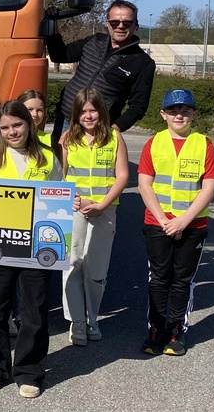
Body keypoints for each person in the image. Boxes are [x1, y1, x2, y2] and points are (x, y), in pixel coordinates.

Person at [0, 100, 62, 399]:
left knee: (34, 311)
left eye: (17, 125)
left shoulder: (48, 158)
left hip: (36, 247)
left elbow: (59, 193)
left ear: (30, 123)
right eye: (5, 127)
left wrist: (68, 203)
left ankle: (29, 371)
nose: (12, 132)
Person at [137, 89, 214, 357]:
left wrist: (183, 220)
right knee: (158, 279)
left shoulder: (203, 144)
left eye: (185, 110)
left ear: (194, 114)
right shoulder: (154, 143)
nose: (179, 115)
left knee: (183, 281)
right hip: (157, 224)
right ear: (163, 114)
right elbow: (144, 184)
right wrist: (163, 219)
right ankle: (155, 329)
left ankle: (176, 331)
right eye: (173, 110)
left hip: (192, 226)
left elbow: (208, 189)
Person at [60, 87, 129, 346]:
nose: (88, 116)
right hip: (75, 209)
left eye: (93, 110)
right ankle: (77, 321)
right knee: (73, 264)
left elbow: (122, 176)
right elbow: (62, 176)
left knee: (96, 269)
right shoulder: (68, 138)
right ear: (76, 115)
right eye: (83, 111)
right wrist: (72, 199)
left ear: (102, 111)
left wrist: (102, 204)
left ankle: (92, 318)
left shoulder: (113, 137)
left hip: (104, 210)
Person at [47, 0, 156, 151]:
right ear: (107, 23)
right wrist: (52, 23)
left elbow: (138, 106)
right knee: (57, 169)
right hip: (65, 121)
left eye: (127, 23)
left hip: (97, 131)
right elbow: (60, 55)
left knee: (87, 173)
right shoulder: (94, 41)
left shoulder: (143, 62)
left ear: (136, 25)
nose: (120, 26)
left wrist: (114, 130)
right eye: (114, 22)